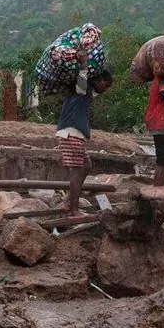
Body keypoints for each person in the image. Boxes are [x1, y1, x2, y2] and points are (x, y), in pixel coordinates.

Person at [54, 52, 113, 214]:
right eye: (105, 85)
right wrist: (84, 64)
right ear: (100, 80)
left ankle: (69, 201)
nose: (104, 89)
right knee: (78, 170)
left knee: (86, 166)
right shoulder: (81, 87)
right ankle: (73, 208)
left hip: (75, 132)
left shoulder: (87, 91)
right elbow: (81, 83)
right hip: (71, 132)